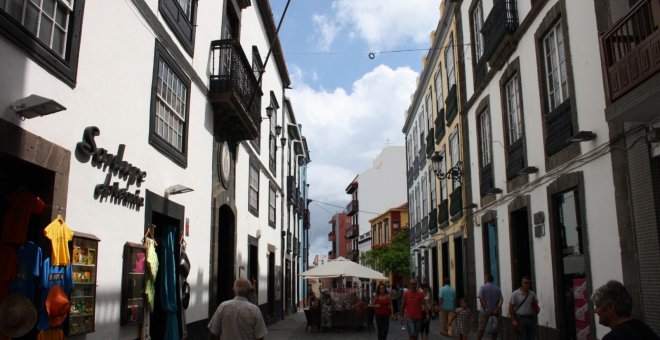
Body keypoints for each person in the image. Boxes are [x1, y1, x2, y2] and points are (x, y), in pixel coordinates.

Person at [591, 280, 660, 340]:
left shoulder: (614, 337)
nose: (595, 311)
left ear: (611, 308)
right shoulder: (643, 328)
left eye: (598, 306)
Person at [476, 274, 503, 340]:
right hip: (495, 312)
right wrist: (496, 309)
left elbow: (481, 299)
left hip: (485, 312)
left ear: (486, 279)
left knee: (481, 329)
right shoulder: (497, 288)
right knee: (494, 330)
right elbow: (501, 300)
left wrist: (486, 308)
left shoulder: (483, 287)